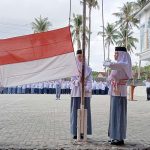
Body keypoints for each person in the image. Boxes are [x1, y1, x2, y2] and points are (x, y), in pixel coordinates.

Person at [103, 47, 132, 145]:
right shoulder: (119, 65)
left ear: (121, 54)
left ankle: (119, 138)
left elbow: (111, 65)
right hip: (115, 92)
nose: (114, 55)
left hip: (120, 93)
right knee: (114, 114)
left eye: (116, 53)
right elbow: (110, 77)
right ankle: (114, 135)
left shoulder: (124, 64)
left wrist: (107, 63)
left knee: (118, 114)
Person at [70, 49, 92, 139]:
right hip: (76, 93)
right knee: (75, 112)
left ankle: (84, 131)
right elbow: (72, 81)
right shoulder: (73, 69)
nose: (81, 58)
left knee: (85, 112)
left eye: (82, 56)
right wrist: (79, 80)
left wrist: (86, 88)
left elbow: (90, 81)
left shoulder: (89, 69)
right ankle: (75, 132)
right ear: (76, 57)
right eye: (79, 56)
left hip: (85, 94)